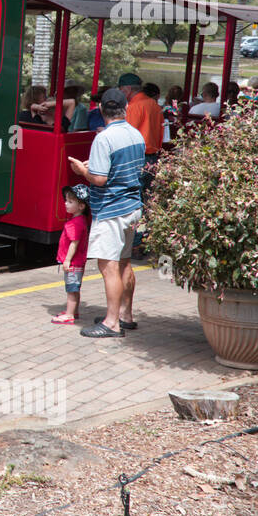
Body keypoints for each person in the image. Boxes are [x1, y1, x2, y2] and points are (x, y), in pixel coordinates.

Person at [68, 89, 145, 338]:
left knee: (108, 266)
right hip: (132, 206)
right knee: (124, 264)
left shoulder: (104, 138)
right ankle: (126, 315)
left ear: (101, 109)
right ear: (125, 108)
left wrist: (82, 171)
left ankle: (111, 323)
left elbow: (99, 179)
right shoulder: (136, 135)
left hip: (111, 209)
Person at [52, 183, 90, 325]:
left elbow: (74, 243)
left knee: (71, 290)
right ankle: (74, 311)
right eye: (66, 200)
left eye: (70, 201)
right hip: (77, 262)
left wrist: (67, 260)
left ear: (81, 206)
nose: (65, 203)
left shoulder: (76, 223)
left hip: (74, 263)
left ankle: (69, 315)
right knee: (75, 288)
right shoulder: (80, 220)